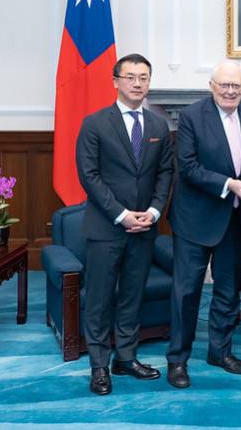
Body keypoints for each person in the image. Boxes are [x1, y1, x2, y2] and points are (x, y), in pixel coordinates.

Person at [166, 60, 241, 389]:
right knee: (186, 292)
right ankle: (178, 359)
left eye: (236, 86)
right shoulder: (191, 116)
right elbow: (187, 167)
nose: (230, 91)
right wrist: (229, 184)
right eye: (224, 85)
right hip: (195, 219)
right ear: (212, 85)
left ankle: (220, 351)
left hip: (234, 219)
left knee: (228, 291)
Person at [75, 53, 174, 396]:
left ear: (149, 82)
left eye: (143, 77)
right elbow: (89, 176)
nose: (137, 83)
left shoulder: (159, 126)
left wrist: (154, 211)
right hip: (106, 229)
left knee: (133, 296)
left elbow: (165, 173)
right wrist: (121, 214)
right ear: (116, 81)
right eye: (130, 77)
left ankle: (126, 357)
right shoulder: (94, 123)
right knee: (100, 299)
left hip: (145, 227)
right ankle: (99, 365)